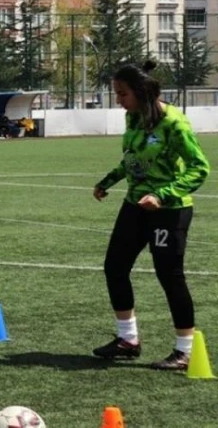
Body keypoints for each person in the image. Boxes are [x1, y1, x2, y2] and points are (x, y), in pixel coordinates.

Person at [92, 62, 210, 371]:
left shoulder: (174, 123)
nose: (118, 100)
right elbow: (132, 159)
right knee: (114, 267)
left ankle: (184, 350)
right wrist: (109, 180)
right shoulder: (133, 116)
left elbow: (200, 168)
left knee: (169, 275)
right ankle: (127, 340)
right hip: (134, 205)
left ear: (141, 92)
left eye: (122, 94)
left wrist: (161, 194)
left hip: (170, 210)